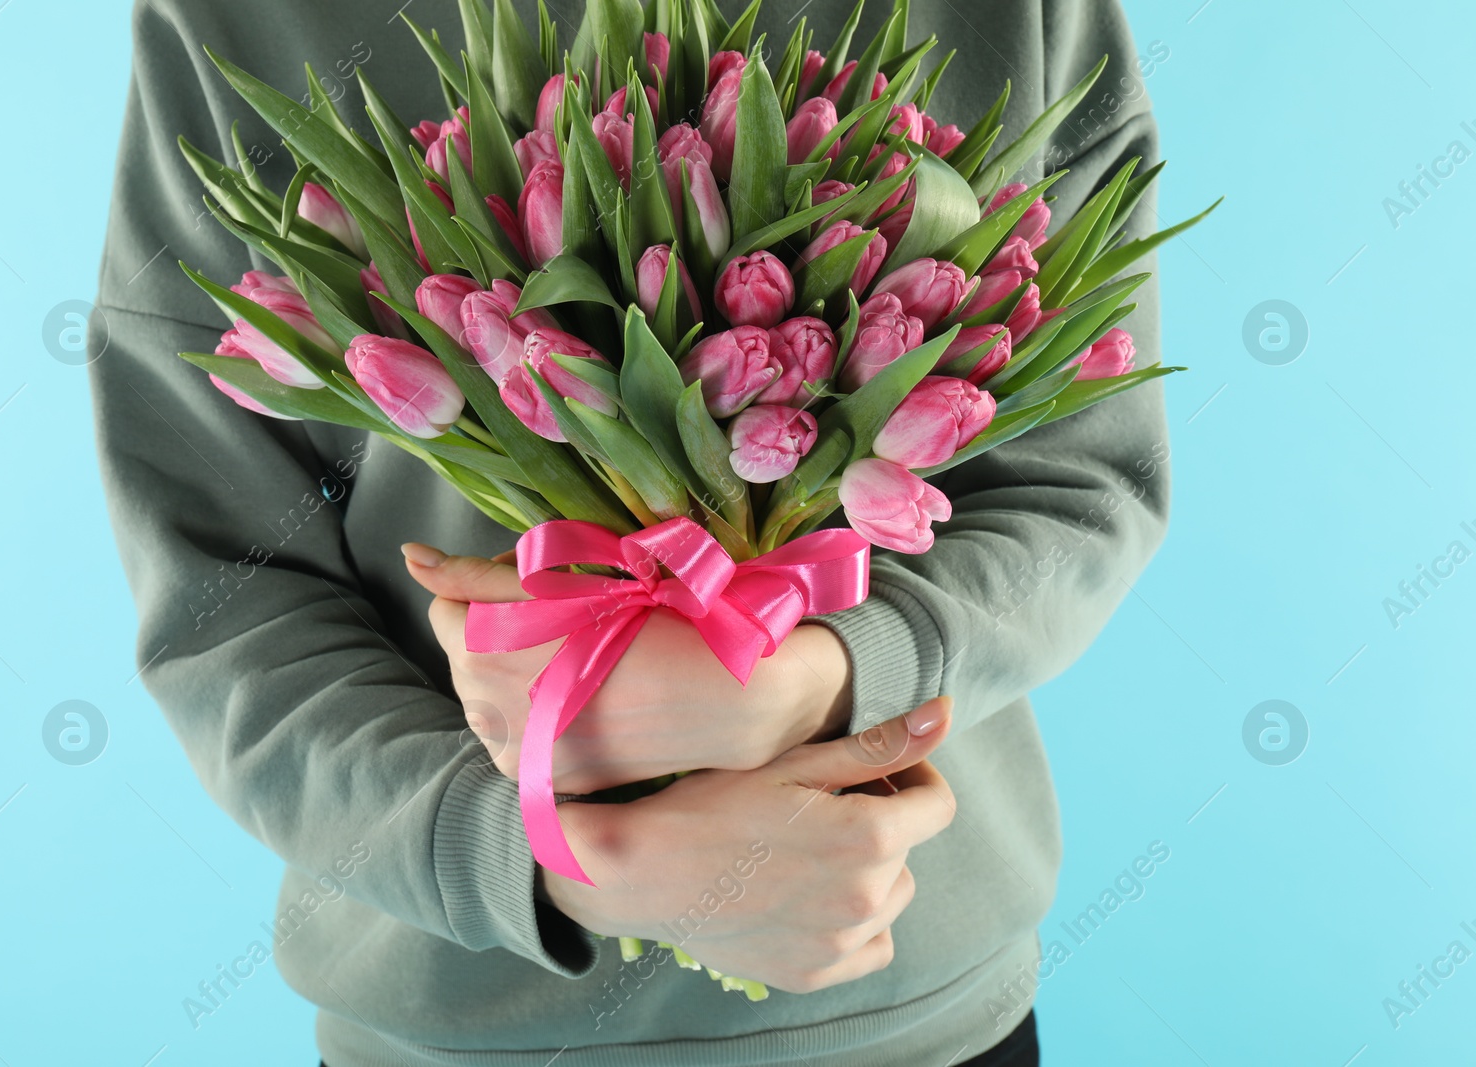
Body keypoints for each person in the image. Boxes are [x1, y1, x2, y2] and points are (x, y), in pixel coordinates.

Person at [90, 0, 1169, 1063]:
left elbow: (1083, 477)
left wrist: (818, 678)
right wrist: (556, 856)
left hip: (909, 993)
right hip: (461, 1015)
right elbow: (222, 589)